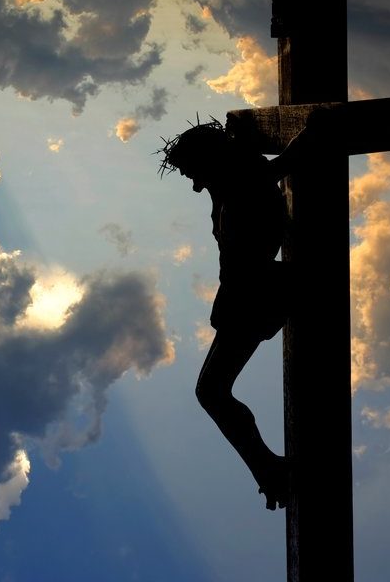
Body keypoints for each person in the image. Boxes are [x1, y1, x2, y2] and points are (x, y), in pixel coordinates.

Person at [158, 112, 328, 510]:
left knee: (211, 391)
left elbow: (287, 161)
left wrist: (315, 129)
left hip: (257, 292)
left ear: (209, 160)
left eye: (192, 173)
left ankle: (270, 470)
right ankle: (269, 470)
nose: (195, 185)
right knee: (210, 391)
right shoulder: (226, 186)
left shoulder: (243, 182)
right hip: (245, 295)